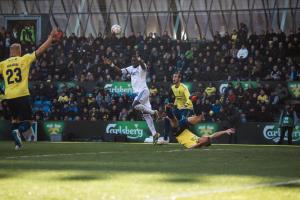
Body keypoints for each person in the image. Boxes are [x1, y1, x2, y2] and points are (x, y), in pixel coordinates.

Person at [0, 27, 59, 150]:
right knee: (29, 121)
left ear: (11, 52)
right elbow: (40, 50)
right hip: (22, 94)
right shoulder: (24, 59)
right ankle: (18, 133)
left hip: (9, 96)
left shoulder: (3, 64)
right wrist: (50, 38)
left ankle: (17, 144)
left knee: (14, 119)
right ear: (19, 51)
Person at [103, 56, 160, 143]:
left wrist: (140, 60)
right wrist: (111, 64)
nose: (133, 62)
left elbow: (144, 66)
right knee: (146, 115)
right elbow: (120, 71)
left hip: (143, 90)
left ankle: (154, 112)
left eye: (135, 60)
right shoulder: (130, 68)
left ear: (138, 61)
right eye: (132, 60)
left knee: (135, 105)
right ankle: (155, 134)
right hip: (139, 93)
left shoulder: (142, 66)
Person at [165, 104, 235, 149]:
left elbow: (190, 148)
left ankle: (168, 110)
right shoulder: (200, 139)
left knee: (175, 121)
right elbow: (214, 135)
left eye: (205, 138)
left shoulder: (194, 144)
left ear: (203, 142)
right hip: (185, 128)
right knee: (200, 117)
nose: (204, 136)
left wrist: (200, 144)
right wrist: (225, 131)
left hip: (178, 132)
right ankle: (194, 102)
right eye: (206, 137)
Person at [160, 72, 194, 144]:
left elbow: (190, 98)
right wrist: (170, 104)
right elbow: (171, 98)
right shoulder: (172, 87)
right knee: (167, 118)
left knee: (183, 122)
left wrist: (185, 106)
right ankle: (165, 139)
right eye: (173, 77)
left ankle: (191, 139)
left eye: (175, 77)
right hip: (178, 109)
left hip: (187, 108)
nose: (174, 78)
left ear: (179, 78)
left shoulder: (184, 87)